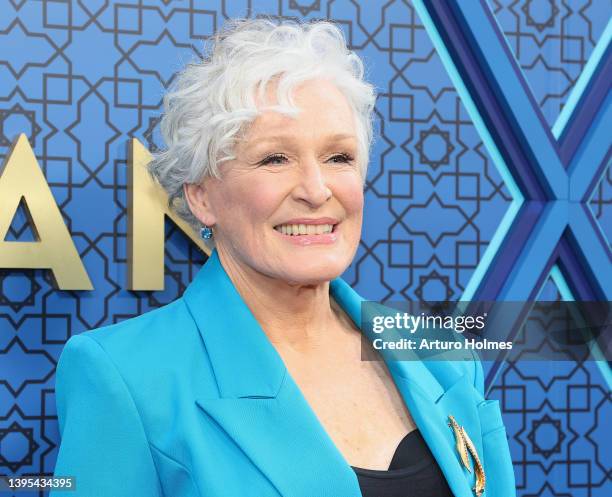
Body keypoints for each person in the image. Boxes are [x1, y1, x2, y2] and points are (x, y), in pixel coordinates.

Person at [51, 19, 515, 497]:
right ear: (202, 197)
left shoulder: (441, 355)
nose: (317, 190)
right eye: (275, 158)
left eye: (339, 158)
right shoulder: (124, 375)